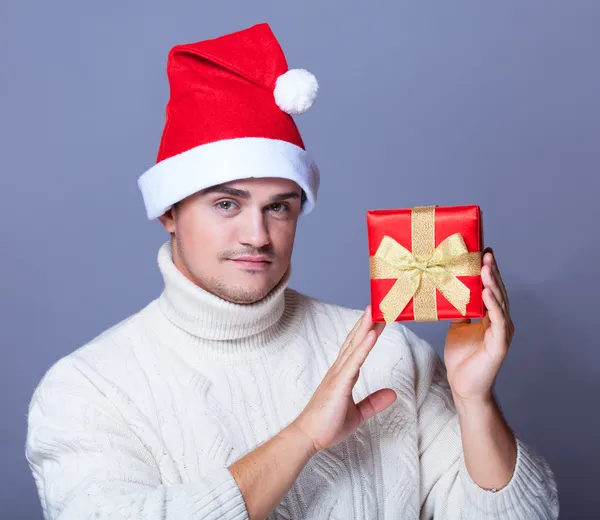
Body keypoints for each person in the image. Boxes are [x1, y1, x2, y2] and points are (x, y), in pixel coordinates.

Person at [25, 22, 558, 520]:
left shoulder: (391, 350)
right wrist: (303, 436)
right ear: (168, 210)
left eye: (279, 206)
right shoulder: (87, 388)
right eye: (227, 205)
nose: (257, 235)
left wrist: (473, 400)